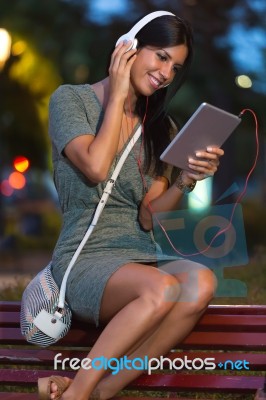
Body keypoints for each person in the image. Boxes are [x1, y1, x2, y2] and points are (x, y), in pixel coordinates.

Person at [38, 10, 224, 400]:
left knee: (200, 282)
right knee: (159, 289)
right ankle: (80, 393)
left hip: (137, 256)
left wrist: (187, 178)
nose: (166, 74)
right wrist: (118, 96)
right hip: (84, 258)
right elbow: (94, 166)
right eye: (161, 56)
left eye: (176, 67)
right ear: (129, 47)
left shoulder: (161, 128)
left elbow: (150, 215)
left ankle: (106, 389)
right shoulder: (71, 100)